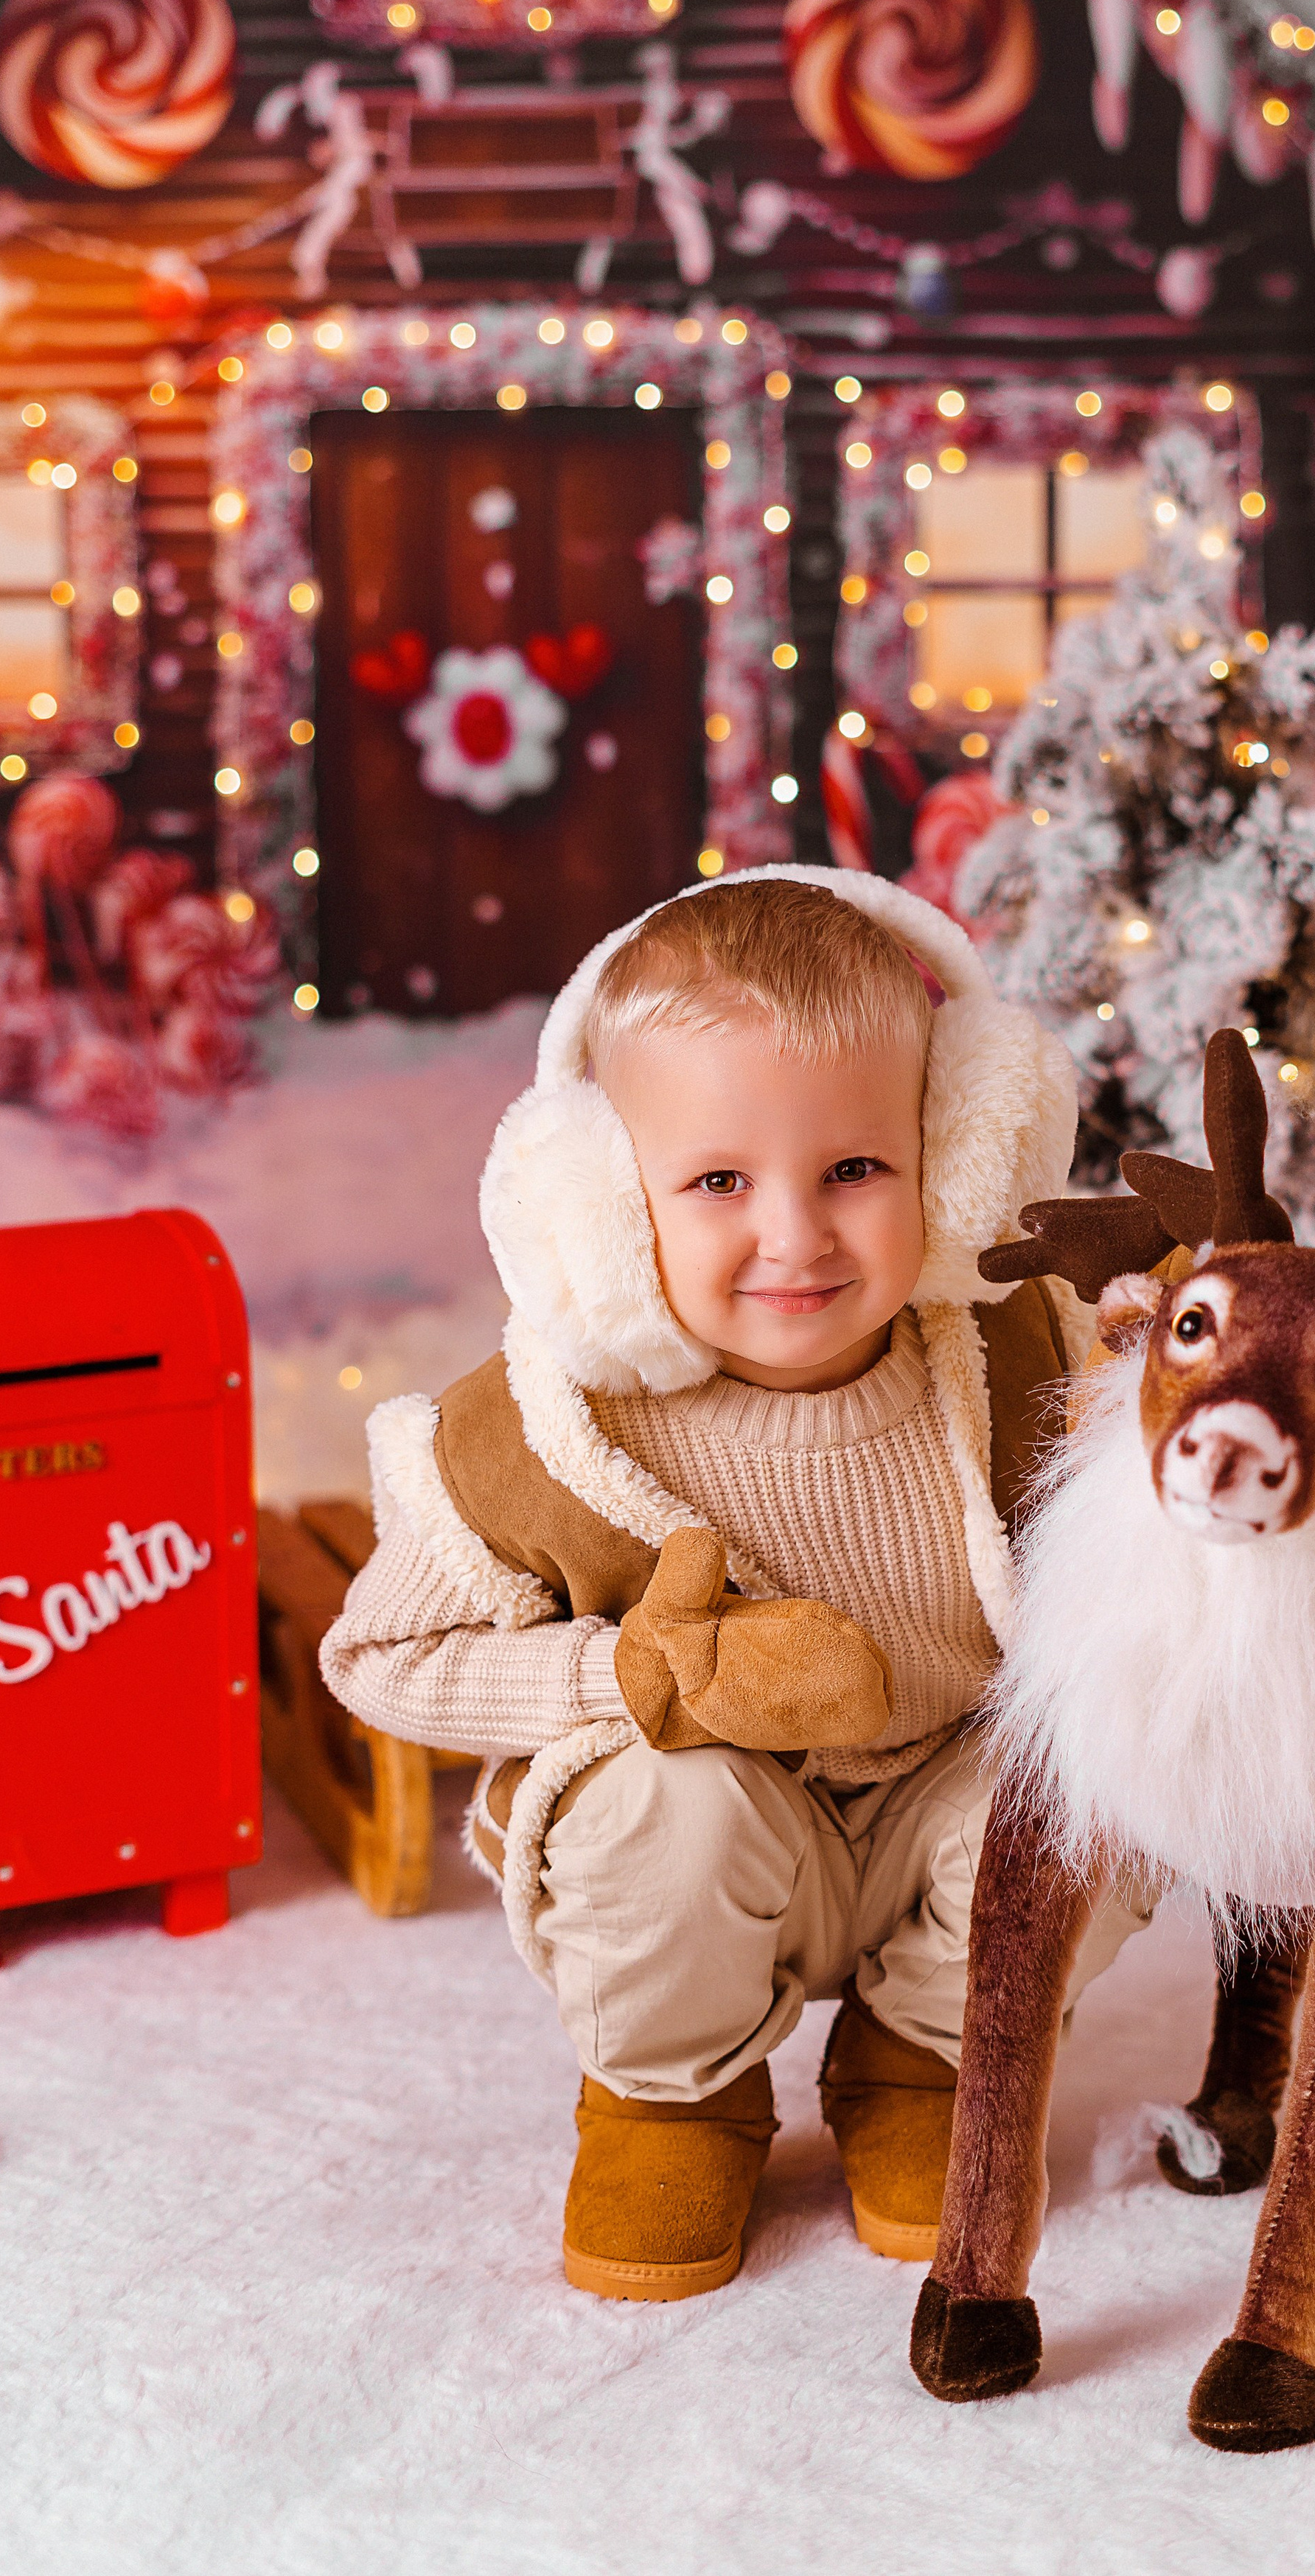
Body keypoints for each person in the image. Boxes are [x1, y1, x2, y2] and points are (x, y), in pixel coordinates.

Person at [321, 869, 1151, 2301]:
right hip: (703, 1838)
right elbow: (378, 1659)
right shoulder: (550, 1430)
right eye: (715, 1180)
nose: (794, 1236)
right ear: (592, 1200)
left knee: (1101, 1773)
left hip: (935, 1814)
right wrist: (629, 1675)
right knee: (666, 1796)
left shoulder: (1022, 1356)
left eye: (854, 1169)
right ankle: (672, 2096)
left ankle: (925, 2055)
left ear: (951, 1152)